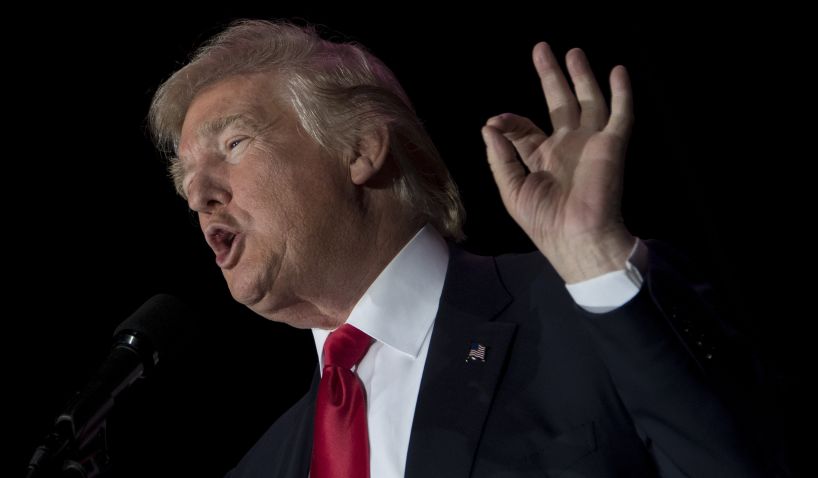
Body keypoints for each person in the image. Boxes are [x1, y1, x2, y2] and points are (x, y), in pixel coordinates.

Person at [148, 19, 781, 477]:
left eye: (233, 145)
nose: (198, 193)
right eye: (184, 181)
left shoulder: (585, 311)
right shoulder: (262, 466)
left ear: (362, 149)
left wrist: (595, 262)